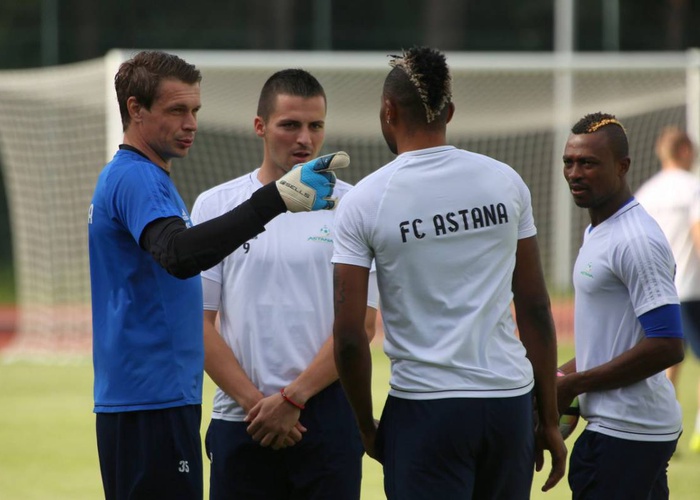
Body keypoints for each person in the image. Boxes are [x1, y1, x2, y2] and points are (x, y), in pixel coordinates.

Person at [88, 51, 348, 500]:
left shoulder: (146, 178)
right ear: (135, 109)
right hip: (151, 397)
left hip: (155, 397)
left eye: (195, 111)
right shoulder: (138, 179)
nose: (190, 123)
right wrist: (274, 201)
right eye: (177, 110)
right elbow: (179, 254)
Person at [331, 46, 566, 500]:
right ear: (450, 112)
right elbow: (536, 308)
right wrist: (550, 419)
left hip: (425, 410)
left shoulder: (364, 200)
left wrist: (365, 426)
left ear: (388, 111)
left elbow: (348, 336)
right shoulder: (505, 180)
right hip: (508, 406)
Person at [190, 68, 379, 500]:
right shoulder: (216, 205)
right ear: (260, 126)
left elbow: (363, 325)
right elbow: (197, 323)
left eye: (316, 126)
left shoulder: (353, 205)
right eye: (290, 125)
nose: (305, 139)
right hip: (243, 418)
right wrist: (258, 405)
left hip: (327, 419)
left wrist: (293, 399)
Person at [557, 112, 685, 499]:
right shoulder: (598, 229)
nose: (575, 173)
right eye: (569, 162)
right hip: (620, 430)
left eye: (588, 163)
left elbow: (667, 345)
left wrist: (576, 384)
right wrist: (559, 378)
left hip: (628, 433)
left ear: (622, 166)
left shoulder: (636, 240)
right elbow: (613, 341)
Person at [635, 126, 700, 453]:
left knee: (666, 361)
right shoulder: (693, 187)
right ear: (685, 151)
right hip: (691, 289)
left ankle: (662, 431)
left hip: (655, 293)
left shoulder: (646, 192)